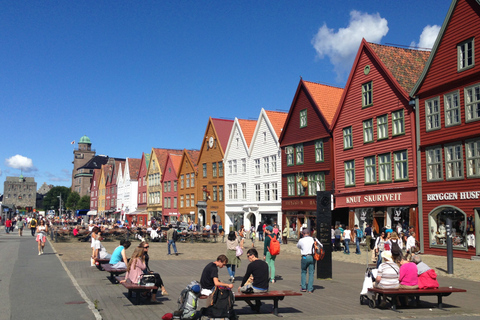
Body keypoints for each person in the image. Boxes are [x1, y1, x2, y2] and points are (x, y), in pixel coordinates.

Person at [296, 229, 322, 293]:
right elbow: (321, 245)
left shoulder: (301, 240)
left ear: (303, 233)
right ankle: (310, 289)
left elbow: (298, 246)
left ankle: (303, 287)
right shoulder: (314, 239)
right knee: (311, 273)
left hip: (305, 257)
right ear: (309, 233)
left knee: (303, 272)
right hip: (312, 257)